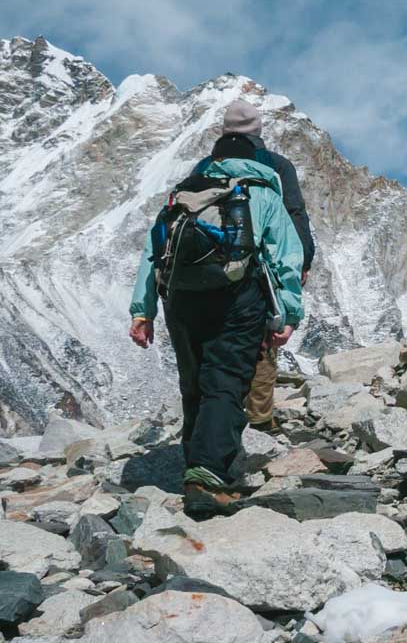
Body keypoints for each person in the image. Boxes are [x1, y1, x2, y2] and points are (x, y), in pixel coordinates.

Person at [129, 133, 304, 513]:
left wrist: (142, 312)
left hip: (179, 300)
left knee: (193, 384)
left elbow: (152, 254)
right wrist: (289, 313)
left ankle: (194, 463)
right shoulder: (263, 193)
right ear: (257, 161)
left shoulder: (185, 194)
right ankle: (208, 477)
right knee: (225, 382)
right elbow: (285, 258)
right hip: (237, 300)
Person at [190, 99, 316, 432]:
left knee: (215, 343)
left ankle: (214, 416)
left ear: (223, 131)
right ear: (259, 130)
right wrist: (304, 257)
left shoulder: (205, 166)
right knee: (265, 337)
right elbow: (294, 213)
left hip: (210, 269)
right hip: (258, 268)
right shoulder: (275, 164)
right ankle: (260, 418)